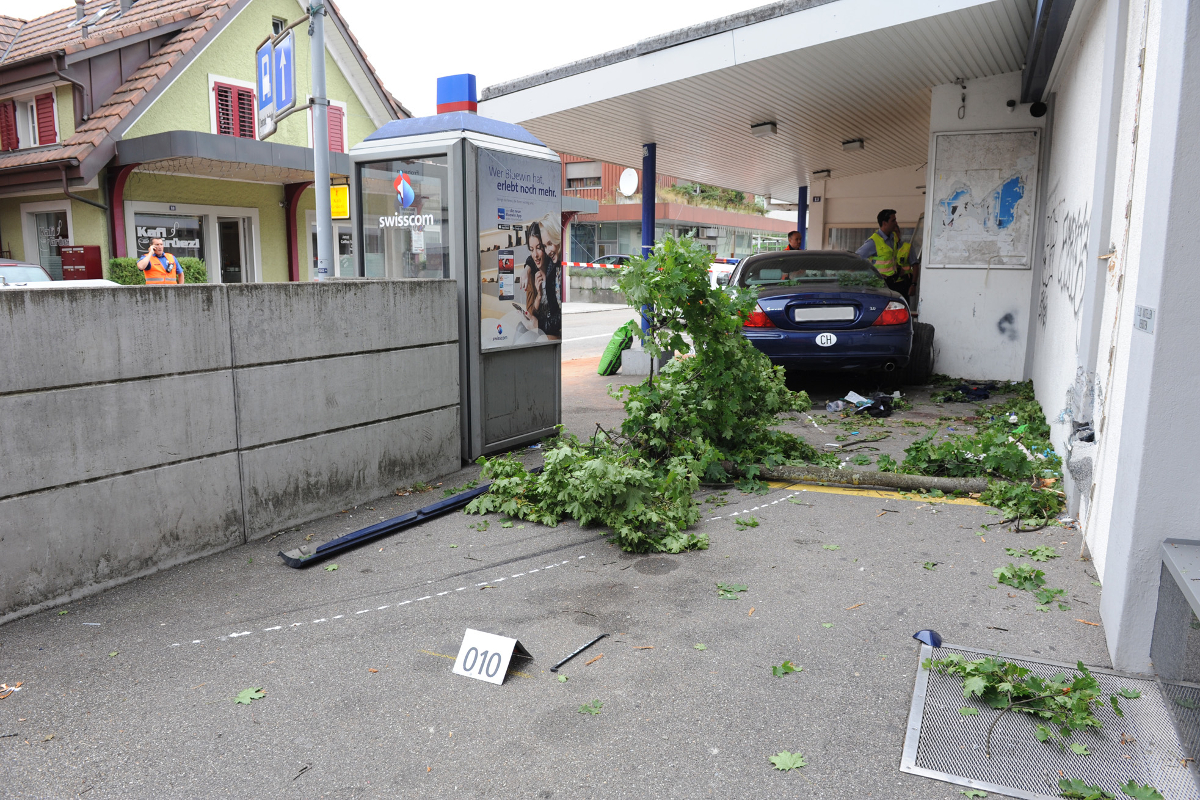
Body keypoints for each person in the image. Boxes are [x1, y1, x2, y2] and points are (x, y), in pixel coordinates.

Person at [856, 209, 916, 295]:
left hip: (893, 282)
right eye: (893, 220)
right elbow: (856, 259)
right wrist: (871, 274)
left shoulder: (893, 237)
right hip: (880, 285)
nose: (896, 223)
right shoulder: (873, 242)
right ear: (884, 223)